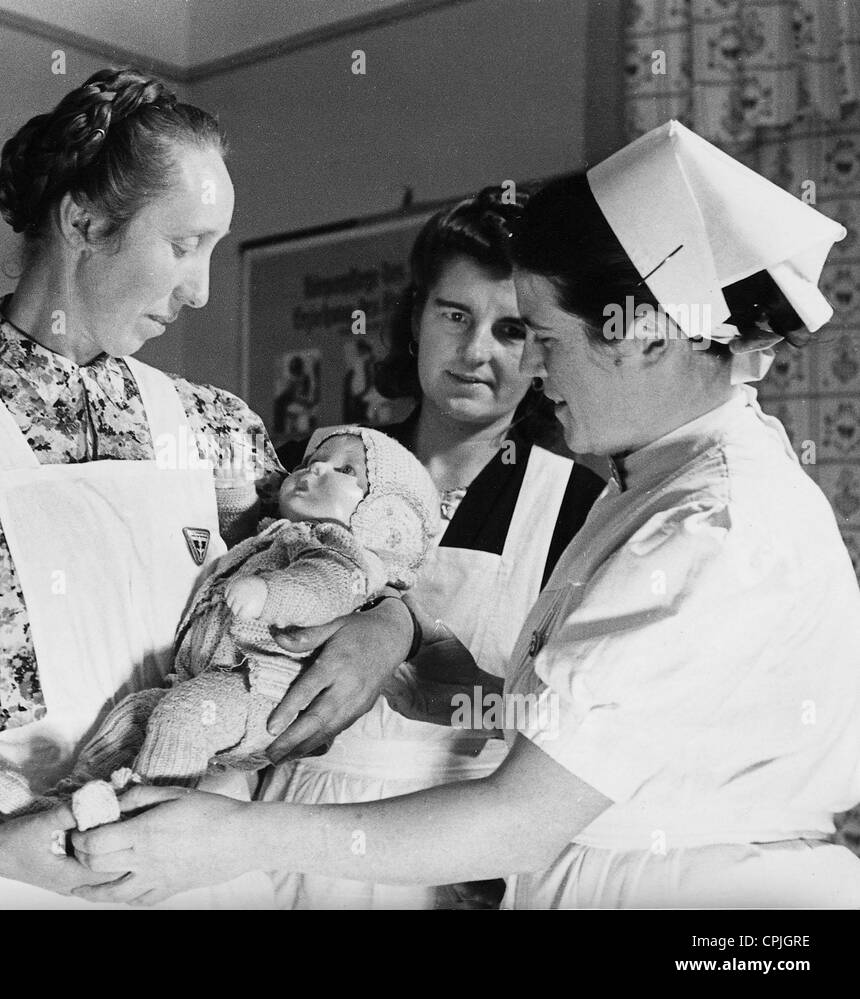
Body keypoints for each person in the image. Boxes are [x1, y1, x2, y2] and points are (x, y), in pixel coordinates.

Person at [71, 121, 860, 908]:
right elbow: (602, 732)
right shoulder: (652, 485)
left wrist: (233, 837)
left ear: (645, 338)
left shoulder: (710, 529)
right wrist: (419, 647)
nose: (531, 367)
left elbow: (520, 818)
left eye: (541, 336)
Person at [0, 67, 417, 909]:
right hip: (16, 870)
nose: (200, 289)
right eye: (183, 244)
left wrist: (391, 622)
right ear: (84, 220)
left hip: (208, 866)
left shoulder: (216, 428)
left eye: (213, 248)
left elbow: (346, 562)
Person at [257, 186, 603, 909]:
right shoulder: (309, 465)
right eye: (455, 314)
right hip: (278, 833)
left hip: (451, 855)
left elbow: (581, 741)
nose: (476, 350)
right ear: (414, 320)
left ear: (544, 350)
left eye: (511, 329)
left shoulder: (578, 509)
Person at [0, 426, 438, 834]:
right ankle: (65, 805)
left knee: (181, 718)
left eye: (344, 470)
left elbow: (329, 587)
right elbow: (234, 530)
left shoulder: (340, 550)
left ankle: (138, 825)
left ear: (379, 516)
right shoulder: (273, 535)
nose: (316, 467)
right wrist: (231, 492)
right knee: (134, 719)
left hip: (262, 696)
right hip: (214, 681)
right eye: (309, 462)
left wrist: (270, 594)